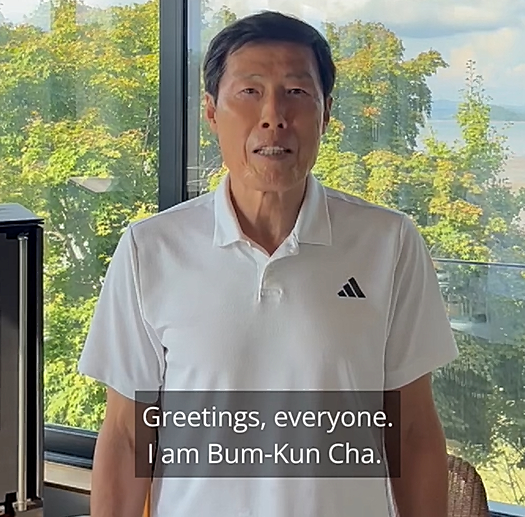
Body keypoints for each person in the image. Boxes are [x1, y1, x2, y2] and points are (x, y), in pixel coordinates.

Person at [78, 10, 459, 517]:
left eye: (297, 93)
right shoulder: (151, 250)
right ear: (212, 111)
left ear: (326, 114)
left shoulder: (389, 243)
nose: (273, 116)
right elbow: (127, 437)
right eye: (250, 92)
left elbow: (411, 433)